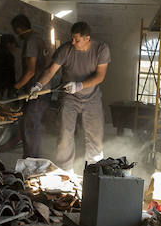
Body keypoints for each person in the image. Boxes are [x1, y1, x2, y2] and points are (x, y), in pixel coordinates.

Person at [30, 21, 110, 171]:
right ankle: (65, 170)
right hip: (69, 97)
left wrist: (79, 85)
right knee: (64, 136)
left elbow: (100, 76)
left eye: (77, 40)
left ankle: (94, 170)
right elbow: (50, 71)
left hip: (92, 98)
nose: (73, 42)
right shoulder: (65, 49)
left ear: (87, 39)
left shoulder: (101, 49)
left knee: (95, 137)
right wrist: (39, 85)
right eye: (72, 38)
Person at [10, 14, 50, 158]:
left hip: (35, 92)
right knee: (32, 126)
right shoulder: (39, 38)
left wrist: (15, 88)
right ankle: (32, 158)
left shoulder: (31, 41)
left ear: (19, 28)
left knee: (30, 127)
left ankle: (32, 161)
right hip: (42, 90)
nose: (17, 35)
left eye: (16, 31)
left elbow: (31, 71)